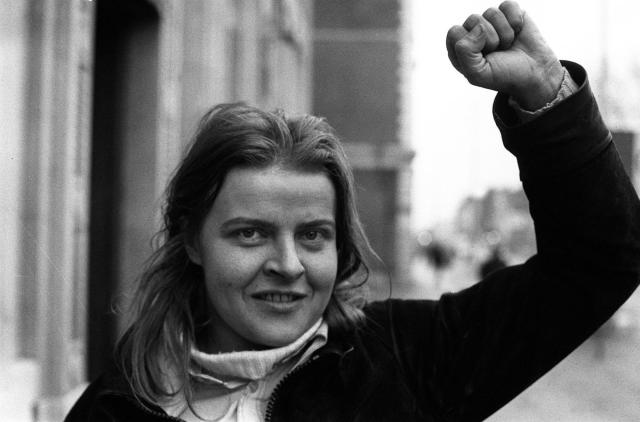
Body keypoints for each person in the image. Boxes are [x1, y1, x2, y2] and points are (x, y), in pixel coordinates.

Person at [65, 2, 640, 421]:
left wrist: (546, 93)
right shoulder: (116, 407)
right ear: (193, 240)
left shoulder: (406, 359)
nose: (287, 264)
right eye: (250, 234)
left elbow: (600, 262)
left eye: (314, 235)